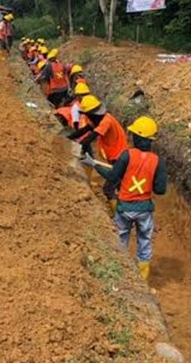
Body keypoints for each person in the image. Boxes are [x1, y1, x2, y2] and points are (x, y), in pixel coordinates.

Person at [81, 116, 167, 281]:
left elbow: (113, 177)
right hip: (144, 210)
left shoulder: (127, 156)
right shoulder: (158, 161)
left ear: (137, 137)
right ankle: (143, 279)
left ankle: (122, 277)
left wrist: (93, 164)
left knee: (120, 240)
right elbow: (160, 189)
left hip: (125, 208)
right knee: (144, 243)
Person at [68, 95, 128, 206]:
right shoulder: (98, 120)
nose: (88, 119)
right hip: (115, 155)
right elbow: (84, 130)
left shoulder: (106, 121)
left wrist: (76, 148)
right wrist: (68, 138)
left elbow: (91, 137)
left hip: (119, 157)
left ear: (92, 114)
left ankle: (119, 217)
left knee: (109, 188)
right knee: (119, 185)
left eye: (88, 116)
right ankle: (124, 209)